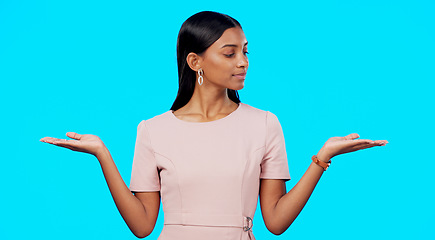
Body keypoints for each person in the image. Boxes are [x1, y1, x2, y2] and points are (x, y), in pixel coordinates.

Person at [40, 11, 388, 240]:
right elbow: (143, 225)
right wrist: (102, 154)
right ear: (195, 61)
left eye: (246, 52)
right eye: (230, 52)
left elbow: (276, 222)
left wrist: (322, 158)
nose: (243, 62)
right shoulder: (152, 129)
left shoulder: (265, 124)